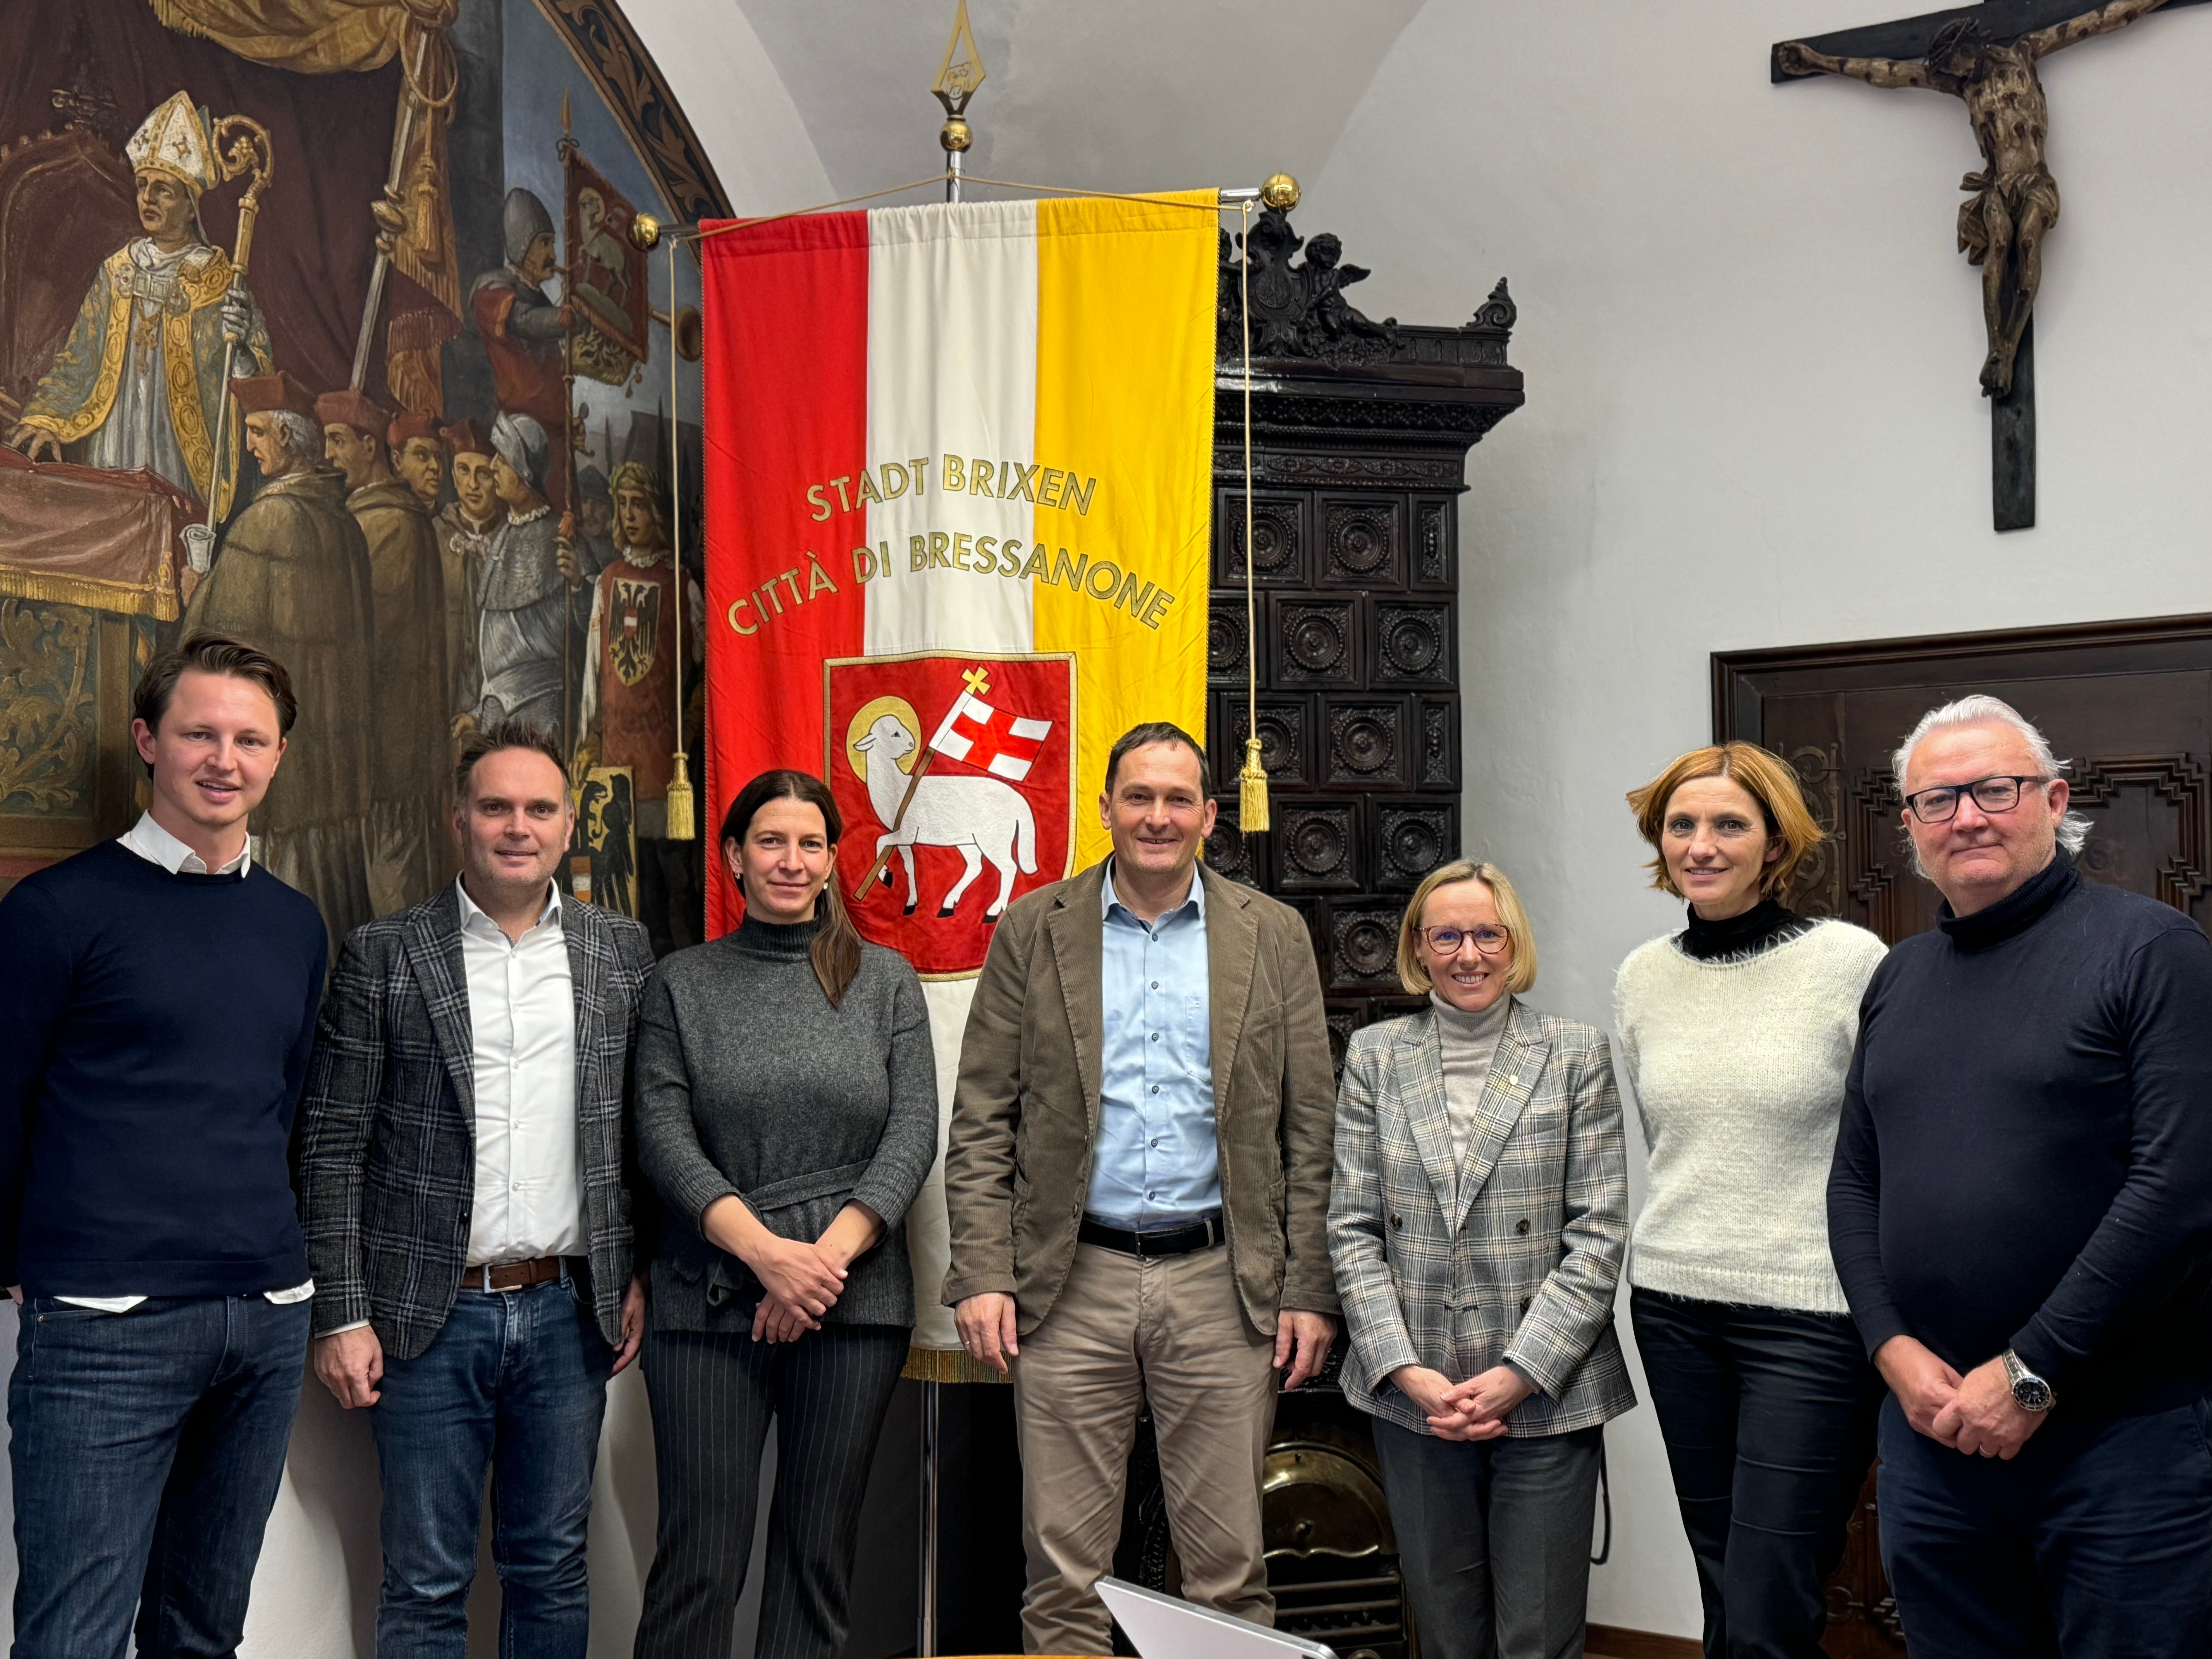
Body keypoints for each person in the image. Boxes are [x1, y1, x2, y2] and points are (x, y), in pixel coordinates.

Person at [1828, 694, 2212, 1658]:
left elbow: (2180, 1190)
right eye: (1938, 799)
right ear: (1910, 827)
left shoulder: (2154, 953)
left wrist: (2033, 1373)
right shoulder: (1899, 979)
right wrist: (1889, 1349)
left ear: (2054, 800)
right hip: (1936, 1433)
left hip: (2121, 1440)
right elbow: (1853, 1184)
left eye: (1994, 790)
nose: (1968, 816)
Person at [944, 721, 1340, 1655]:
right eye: (1138, 797)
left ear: (1209, 814)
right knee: (1063, 1575)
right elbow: (982, 1115)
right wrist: (983, 1270)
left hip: (1221, 1281)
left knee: (1230, 1574)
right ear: (1106, 807)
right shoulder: (1035, 929)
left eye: (1176, 800)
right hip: (1068, 1280)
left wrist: (1306, 1288)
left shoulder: (1271, 935)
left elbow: (1310, 1129)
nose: (1156, 817)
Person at [297, 719, 653, 1656]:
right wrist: (341, 1311)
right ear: (458, 820)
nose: (517, 826)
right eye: (496, 806)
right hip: (425, 1319)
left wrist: (637, 1270)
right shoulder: (384, 954)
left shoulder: (621, 955)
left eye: (539, 808)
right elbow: (331, 1144)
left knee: (551, 1566)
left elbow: (640, 1130)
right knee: (424, 1581)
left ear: (569, 825)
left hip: (568, 1317)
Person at [0, 635, 325, 1657]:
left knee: (203, 1630)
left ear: (277, 757)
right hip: (107, 1324)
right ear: (149, 740)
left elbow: (285, 1103)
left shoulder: (295, 923)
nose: (223, 758)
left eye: (249, 738)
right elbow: (4, 1100)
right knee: (75, 1635)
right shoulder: (56, 910)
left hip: (265, 1317)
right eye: (199, 733)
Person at [632, 769, 938, 1657]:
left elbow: (911, 1133)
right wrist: (769, 1257)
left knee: (816, 1559)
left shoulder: (883, 982)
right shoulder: (681, 985)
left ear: (833, 857)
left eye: (811, 844)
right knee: (700, 1562)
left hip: (854, 1305)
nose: (791, 861)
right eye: (771, 841)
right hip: (709, 1301)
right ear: (733, 854)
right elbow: (662, 1136)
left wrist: (817, 1269)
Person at [1614, 744, 1888, 1659]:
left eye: (1730, 824)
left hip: (1810, 1312)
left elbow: (1884, 1144)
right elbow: (1675, 1143)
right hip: (1674, 1300)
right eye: (1682, 824)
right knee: (1724, 1574)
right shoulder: (1641, 976)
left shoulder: (1851, 961)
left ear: (1775, 844)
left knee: (1775, 1583)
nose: (1702, 844)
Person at [1329, 859, 1632, 1659]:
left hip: (1544, 1396)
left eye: (1487, 934)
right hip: (1416, 1397)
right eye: (1448, 936)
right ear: (1419, 950)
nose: (1469, 954)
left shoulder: (1574, 1054)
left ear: (1513, 944)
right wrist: (1403, 1369)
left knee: (1536, 1634)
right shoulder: (1375, 1056)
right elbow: (1353, 1230)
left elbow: (1598, 1235)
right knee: (1446, 1631)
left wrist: (1519, 1373)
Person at [182, 370, 376, 957]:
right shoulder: (345, 524)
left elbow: (217, 643)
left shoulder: (267, 522)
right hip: (334, 759)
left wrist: (196, 588)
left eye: (258, 433)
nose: (249, 446)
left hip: (286, 766)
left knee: (272, 932)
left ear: (290, 441)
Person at [6, 90, 270, 518]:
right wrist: (48, 417)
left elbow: (254, 379)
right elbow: (80, 359)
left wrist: (240, 351)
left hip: (182, 446)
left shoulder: (219, 280)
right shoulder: (119, 270)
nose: (147, 199)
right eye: (143, 186)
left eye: (163, 191)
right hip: (113, 436)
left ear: (190, 207)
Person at [319, 386, 450, 915]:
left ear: (371, 447)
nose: (328, 456)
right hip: (377, 746)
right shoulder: (370, 517)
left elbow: (372, 639)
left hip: (393, 748)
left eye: (339, 441)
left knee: (393, 889)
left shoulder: (389, 524)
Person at [576, 460, 704, 953]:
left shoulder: (682, 585)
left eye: (639, 505)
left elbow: (703, 666)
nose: (630, 515)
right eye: (622, 504)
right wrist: (587, 739)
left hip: (664, 758)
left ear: (657, 512)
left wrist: (690, 728)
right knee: (624, 884)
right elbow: (593, 672)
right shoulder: (606, 582)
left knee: (672, 877)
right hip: (617, 757)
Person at [469, 412, 581, 740]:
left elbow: (583, 633)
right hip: (495, 709)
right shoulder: (504, 534)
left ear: (524, 472)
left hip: (540, 707)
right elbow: (497, 647)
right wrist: (480, 709)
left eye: (502, 460)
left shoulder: (559, 538)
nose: (493, 467)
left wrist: (577, 587)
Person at [436, 419, 498, 728]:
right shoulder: (435, 534)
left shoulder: (510, 537)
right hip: (445, 681)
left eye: (483, 474)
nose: (473, 484)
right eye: (464, 471)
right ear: (453, 475)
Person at [390, 409, 447, 512]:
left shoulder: (448, 520)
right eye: (422, 455)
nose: (436, 466)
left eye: (438, 457)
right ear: (398, 461)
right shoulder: (388, 515)